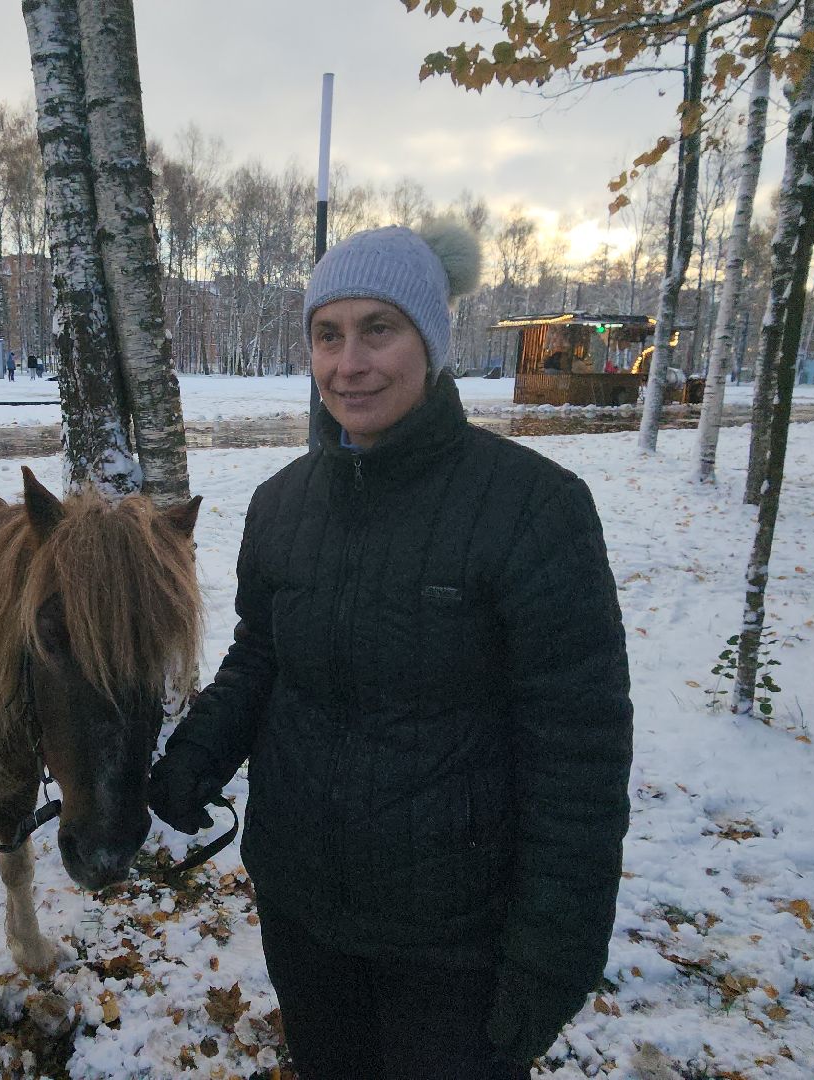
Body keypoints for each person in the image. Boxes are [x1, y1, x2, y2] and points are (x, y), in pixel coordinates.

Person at [148, 222, 634, 1079]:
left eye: (379, 329)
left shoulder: (532, 510)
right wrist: (199, 751)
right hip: (304, 911)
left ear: (431, 343)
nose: (349, 362)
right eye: (327, 336)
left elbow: (578, 756)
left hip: (454, 942)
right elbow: (262, 658)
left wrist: (554, 951)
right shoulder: (281, 506)